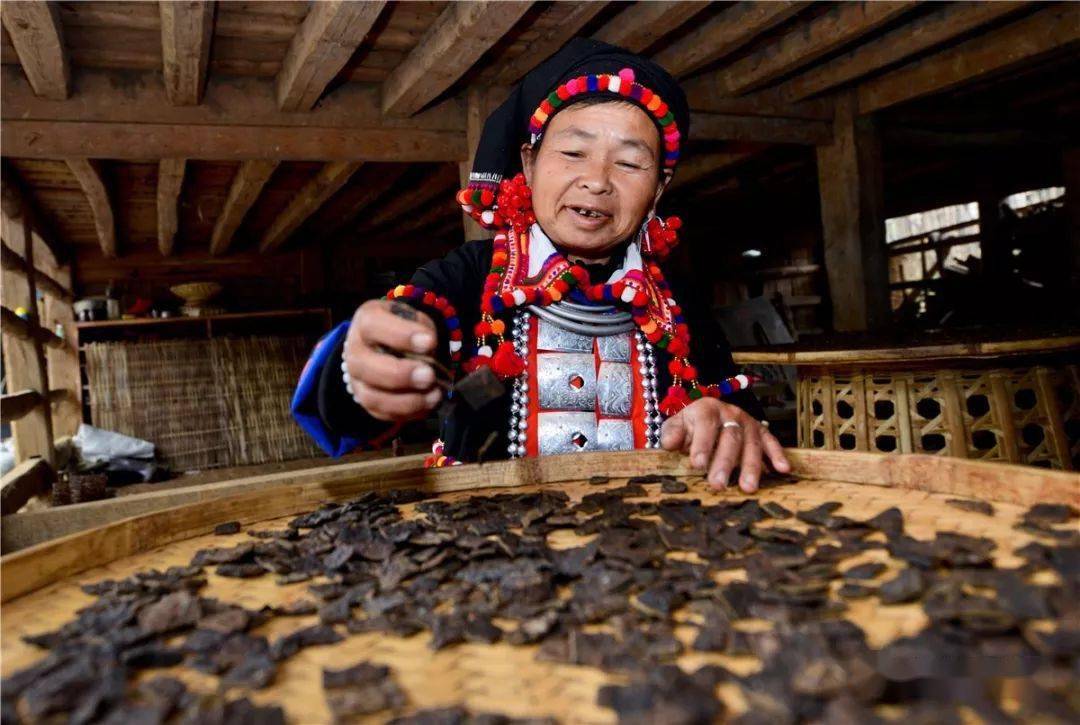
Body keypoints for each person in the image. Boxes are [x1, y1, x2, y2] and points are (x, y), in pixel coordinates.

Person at [292, 38, 789, 493]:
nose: (596, 181)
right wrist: (360, 367)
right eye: (573, 152)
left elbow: (740, 422)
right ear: (529, 166)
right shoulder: (468, 279)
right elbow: (361, 397)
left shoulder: (678, 305)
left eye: (630, 163)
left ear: (658, 189)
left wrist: (729, 424)